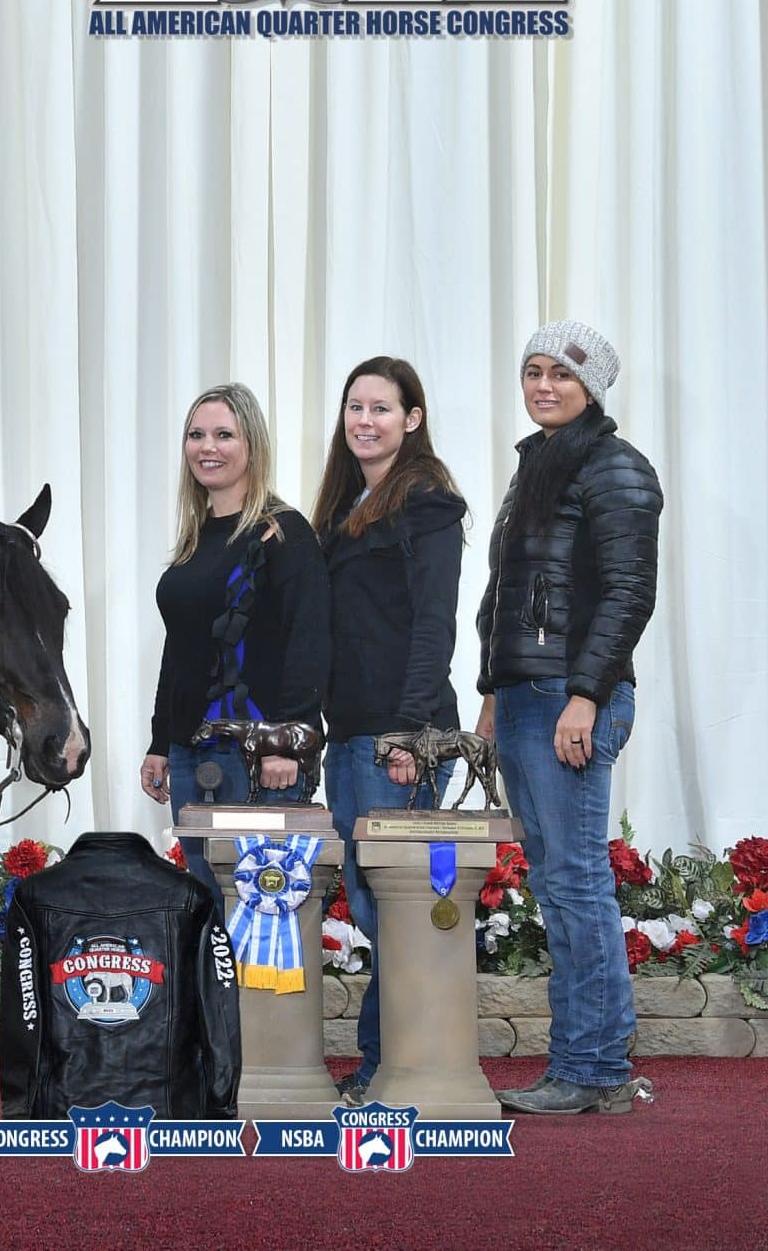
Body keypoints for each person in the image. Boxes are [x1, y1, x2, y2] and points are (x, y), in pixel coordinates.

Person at [476, 321, 662, 1115]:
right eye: (533, 371)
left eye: (561, 373)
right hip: (526, 697)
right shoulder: (537, 465)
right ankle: (592, 1066)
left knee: (578, 884)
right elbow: (506, 600)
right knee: (560, 885)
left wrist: (585, 695)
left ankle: (590, 1070)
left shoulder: (615, 468)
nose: (544, 385)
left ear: (595, 386)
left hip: (569, 700)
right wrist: (490, 698)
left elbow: (627, 595)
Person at [310, 357, 467, 1105]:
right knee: (377, 906)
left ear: (413, 418)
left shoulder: (427, 503)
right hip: (350, 737)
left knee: (396, 907)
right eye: (354, 408)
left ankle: (394, 1067)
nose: (364, 420)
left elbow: (434, 625)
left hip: (397, 737)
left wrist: (409, 733)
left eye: (381, 408)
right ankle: (390, 1063)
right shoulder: (346, 506)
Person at [139, 384, 329, 892]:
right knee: (207, 902)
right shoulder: (195, 539)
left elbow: (307, 645)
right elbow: (178, 648)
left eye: (225, 435)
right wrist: (161, 742)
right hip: (189, 752)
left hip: (254, 755)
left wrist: (286, 746)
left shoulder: (283, 533)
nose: (208, 447)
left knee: (257, 906)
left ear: (252, 446)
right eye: (196, 435)